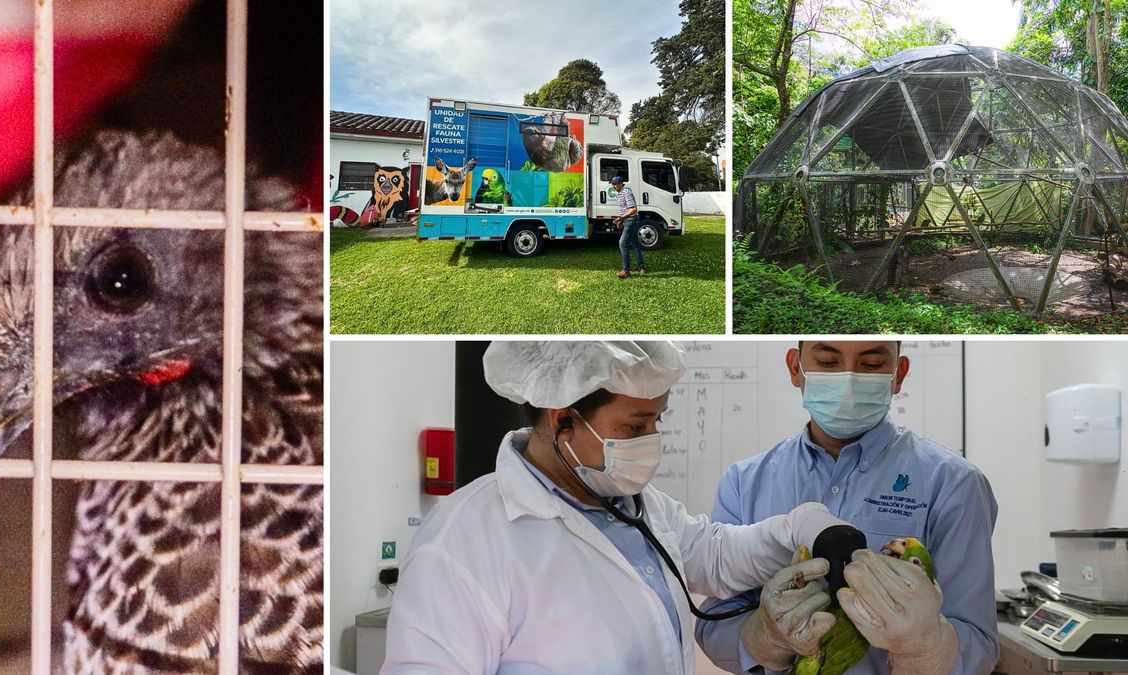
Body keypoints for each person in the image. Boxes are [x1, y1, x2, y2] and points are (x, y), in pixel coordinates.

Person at [383, 341, 867, 675]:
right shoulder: (465, 541)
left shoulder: (634, 505)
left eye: (657, 420)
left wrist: (805, 524)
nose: (651, 440)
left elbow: (714, 557)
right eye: (635, 427)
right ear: (563, 419)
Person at [695, 341, 999, 675]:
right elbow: (714, 625)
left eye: (870, 365)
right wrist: (763, 638)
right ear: (796, 368)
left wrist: (926, 647)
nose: (849, 380)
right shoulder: (744, 483)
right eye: (827, 361)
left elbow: (979, 644)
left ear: (899, 374)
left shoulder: (954, 484)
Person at [610, 175, 643, 278]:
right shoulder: (621, 193)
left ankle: (626, 271)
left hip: (631, 220)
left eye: (614, 184)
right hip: (627, 220)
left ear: (620, 184)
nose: (613, 187)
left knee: (623, 243)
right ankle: (640, 267)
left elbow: (633, 209)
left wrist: (621, 218)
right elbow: (625, 208)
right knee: (634, 243)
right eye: (612, 185)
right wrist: (621, 220)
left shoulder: (626, 192)